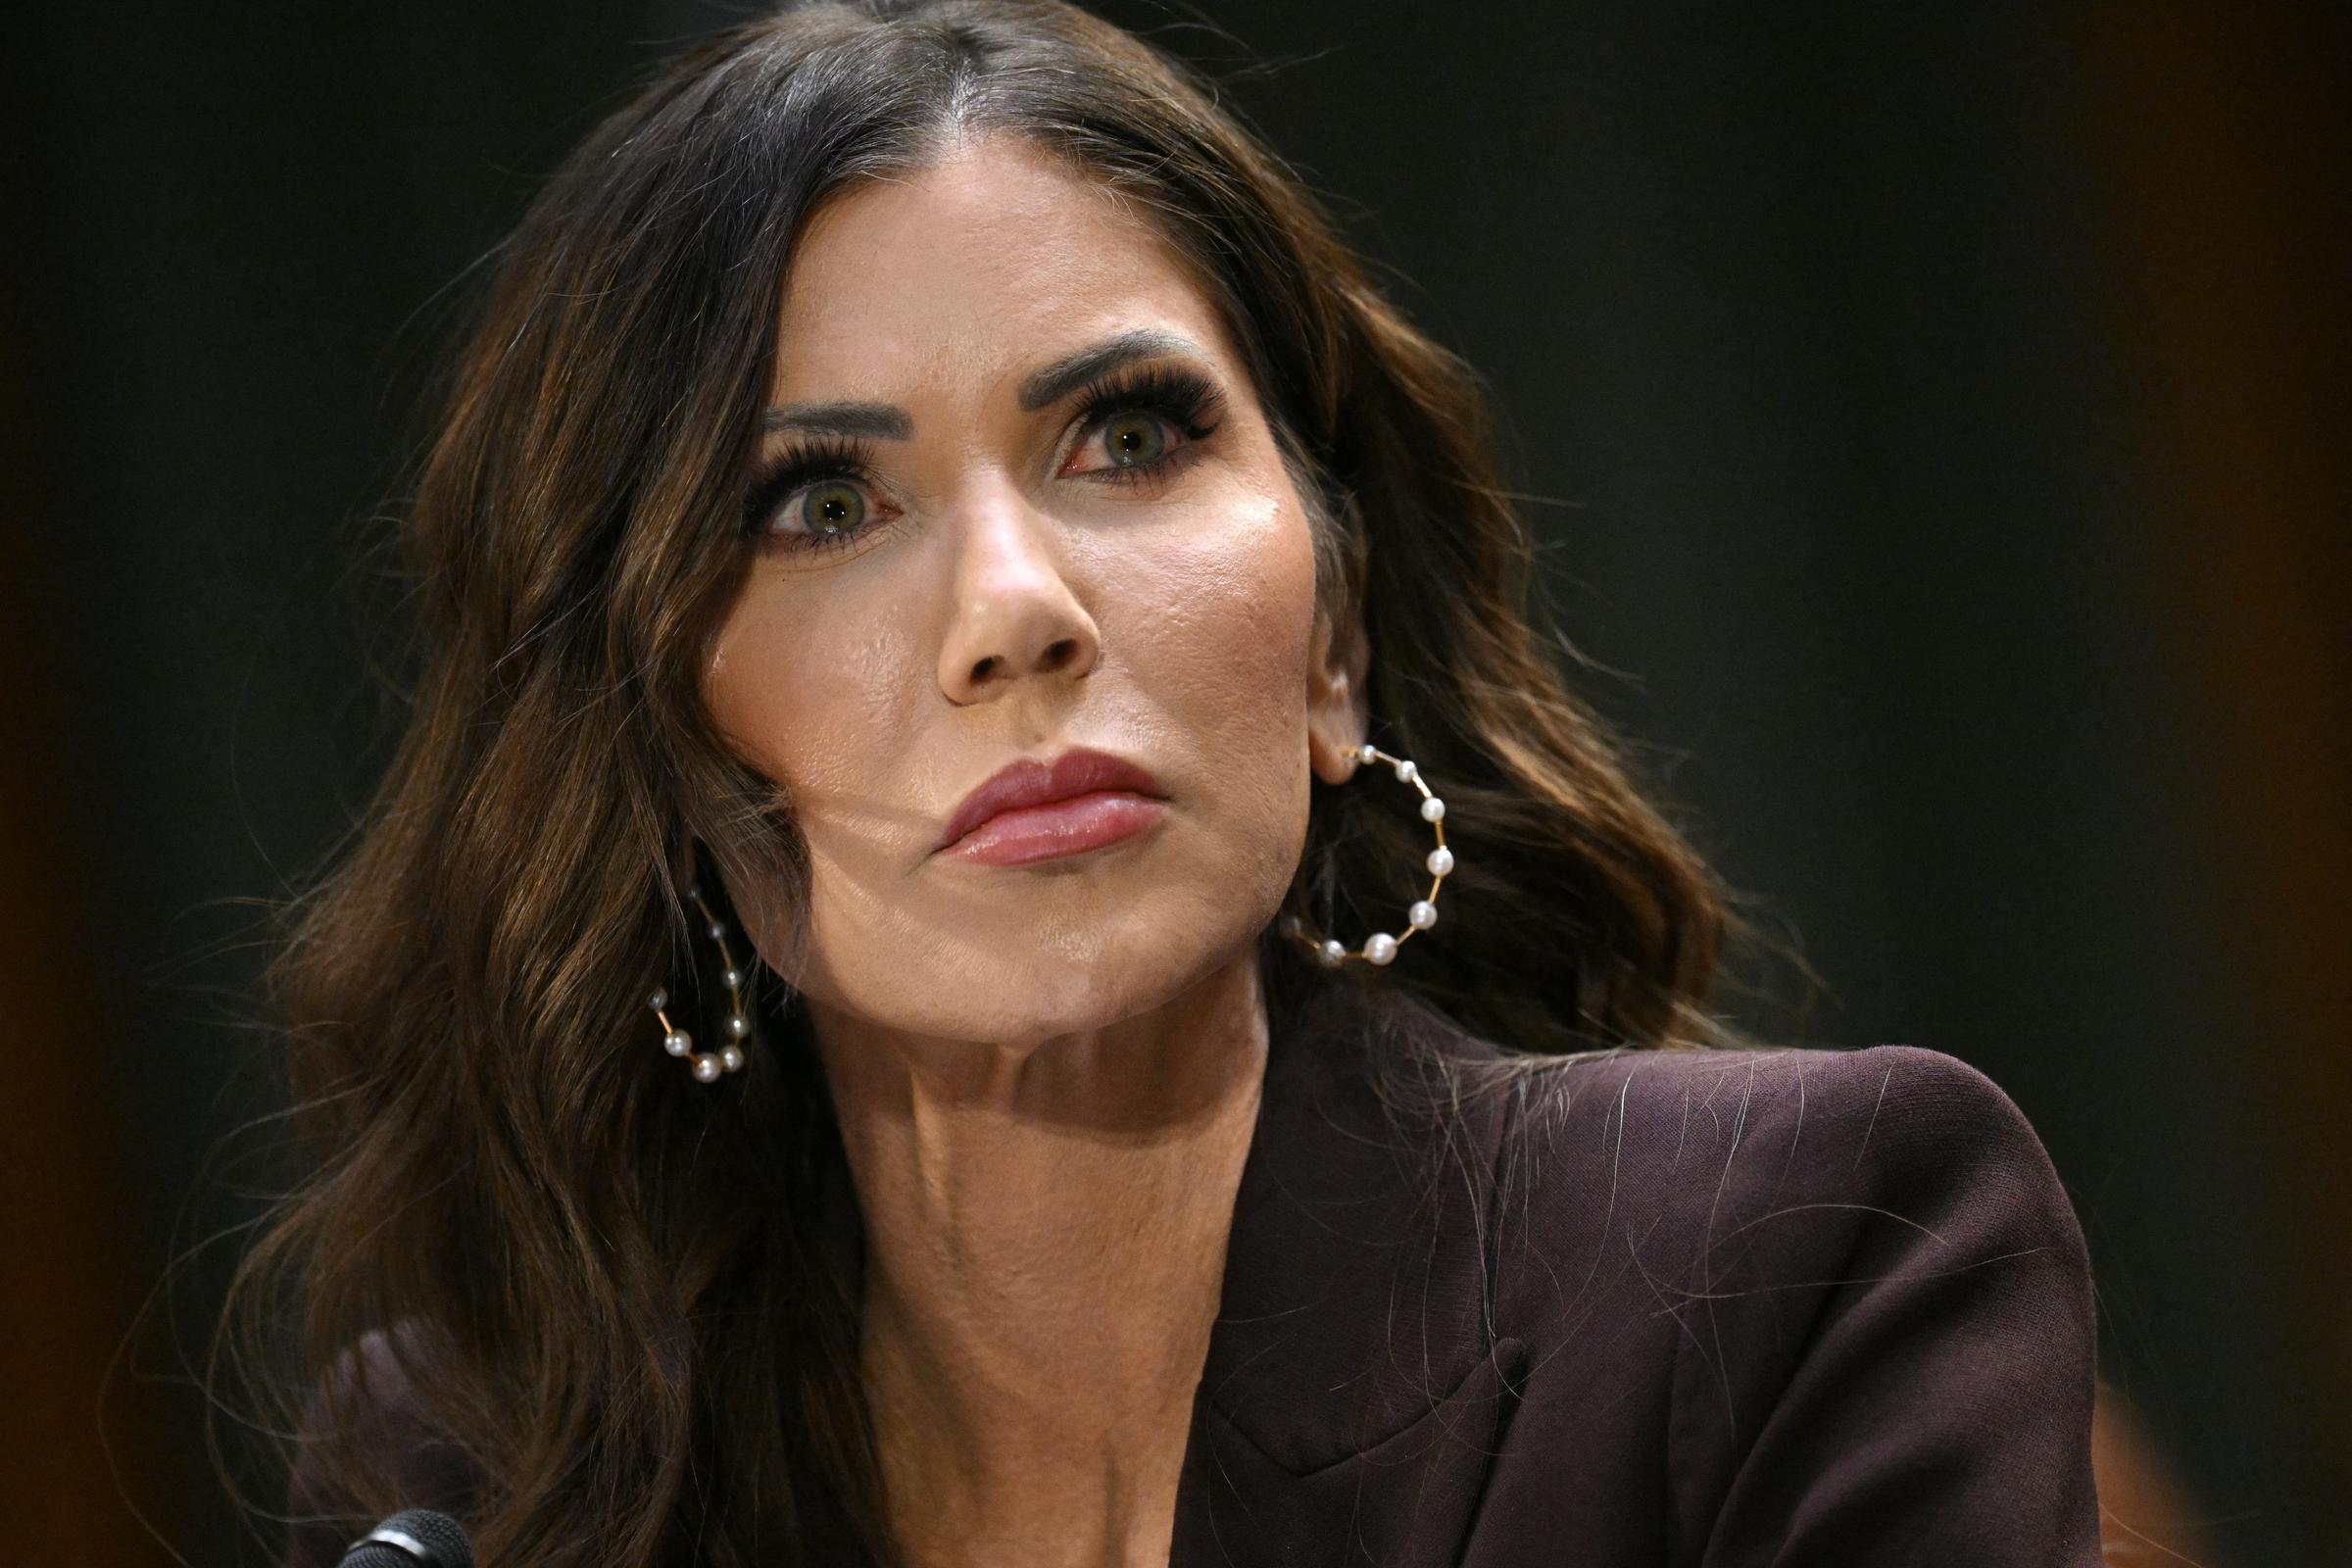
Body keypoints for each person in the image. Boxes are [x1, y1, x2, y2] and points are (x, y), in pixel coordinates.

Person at [231, 2, 2105, 1564]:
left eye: (1125, 439)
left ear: (1335, 640)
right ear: (660, 751)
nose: (1014, 612)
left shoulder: (1787, 1275)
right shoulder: (476, 1480)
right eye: (820, 504)